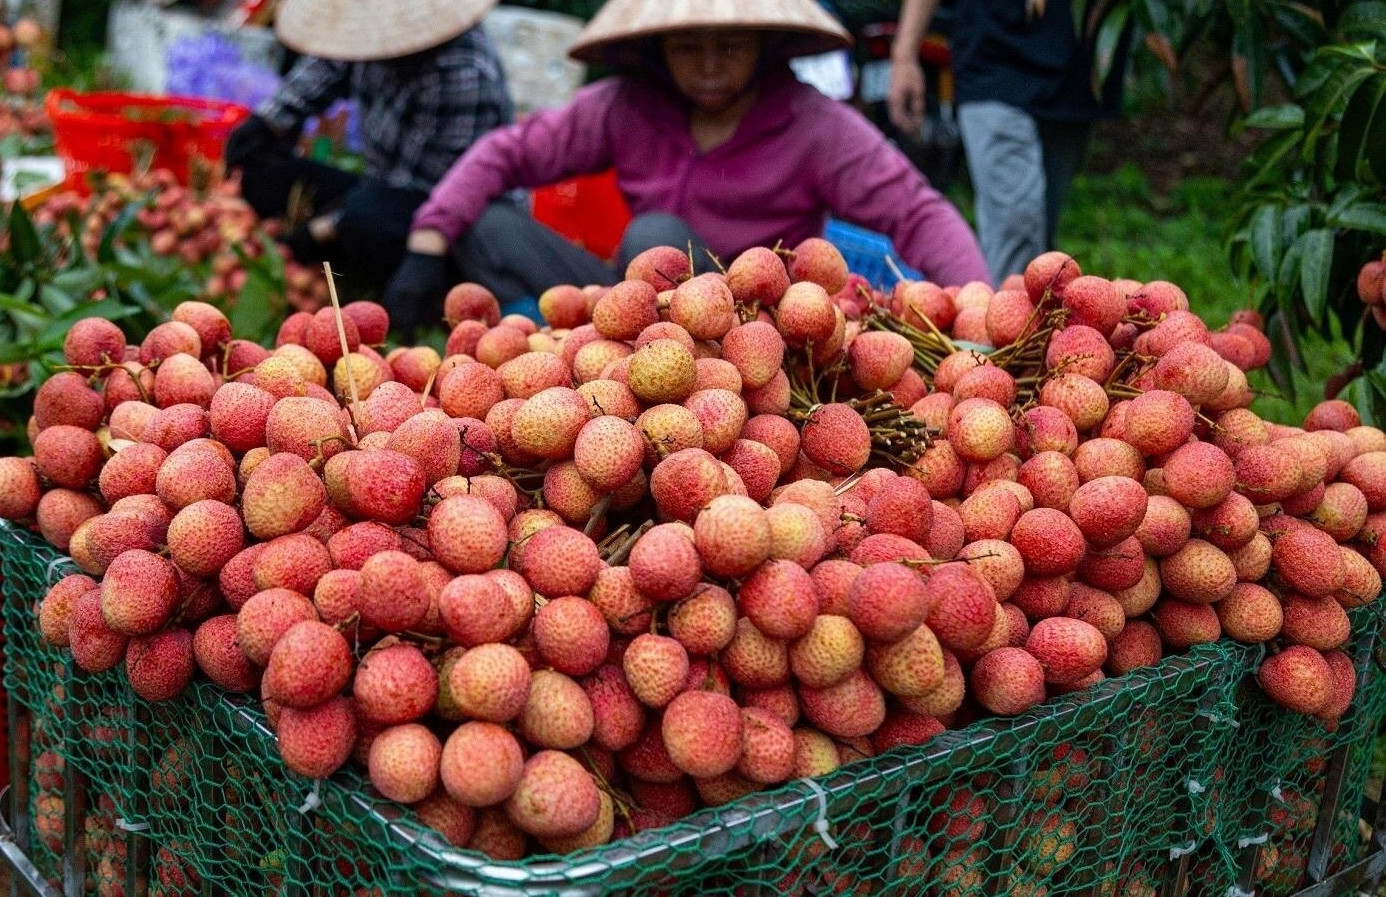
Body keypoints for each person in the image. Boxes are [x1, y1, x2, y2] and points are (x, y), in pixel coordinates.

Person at [383, 0, 990, 333]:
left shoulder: (814, 124)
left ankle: (608, 348)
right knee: (486, 225)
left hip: (751, 332)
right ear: (659, 50)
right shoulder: (624, 105)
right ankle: (596, 352)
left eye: (728, 47)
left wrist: (979, 309)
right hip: (628, 310)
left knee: (654, 236)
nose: (708, 67)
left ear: (762, 45)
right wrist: (426, 243)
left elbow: (916, 211)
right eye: (687, 48)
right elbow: (507, 152)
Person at [223, 0, 512, 296]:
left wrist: (319, 231)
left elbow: (427, 197)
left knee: (367, 218)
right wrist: (265, 124)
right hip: (380, 187)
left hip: (448, 220)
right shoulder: (368, 34)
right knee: (262, 173)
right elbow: (326, 69)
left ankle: (418, 293)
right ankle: (335, 252)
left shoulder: (460, 72)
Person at [888, 0, 1133, 284]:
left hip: (1073, 76)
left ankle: (1026, 306)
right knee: (1016, 225)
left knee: (1042, 246)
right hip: (995, 63)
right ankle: (1001, 309)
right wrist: (905, 54)